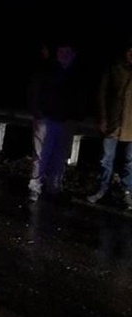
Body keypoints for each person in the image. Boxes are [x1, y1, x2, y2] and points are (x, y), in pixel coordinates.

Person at [27, 40, 84, 202]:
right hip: (46, 118)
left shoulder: (76, 74)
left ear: (73, 55)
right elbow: (34, 90)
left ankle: (54, 186)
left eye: (67, 52)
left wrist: (77, 116)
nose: (64, 55)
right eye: (61, 52)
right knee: (41, 154)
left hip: (66, 120)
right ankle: (35, 186)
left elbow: (80, 97)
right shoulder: (46, 69)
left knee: (60, 156)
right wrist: (37, 111)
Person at [86, 41, 132, 208]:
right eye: (129, 50)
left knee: (130, 161)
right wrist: (103, 118)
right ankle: (101, 188)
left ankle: (128, 192)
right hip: (113, 122)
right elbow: (102, 94)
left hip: (131, 124)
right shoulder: (113, 68)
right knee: (106, 159)